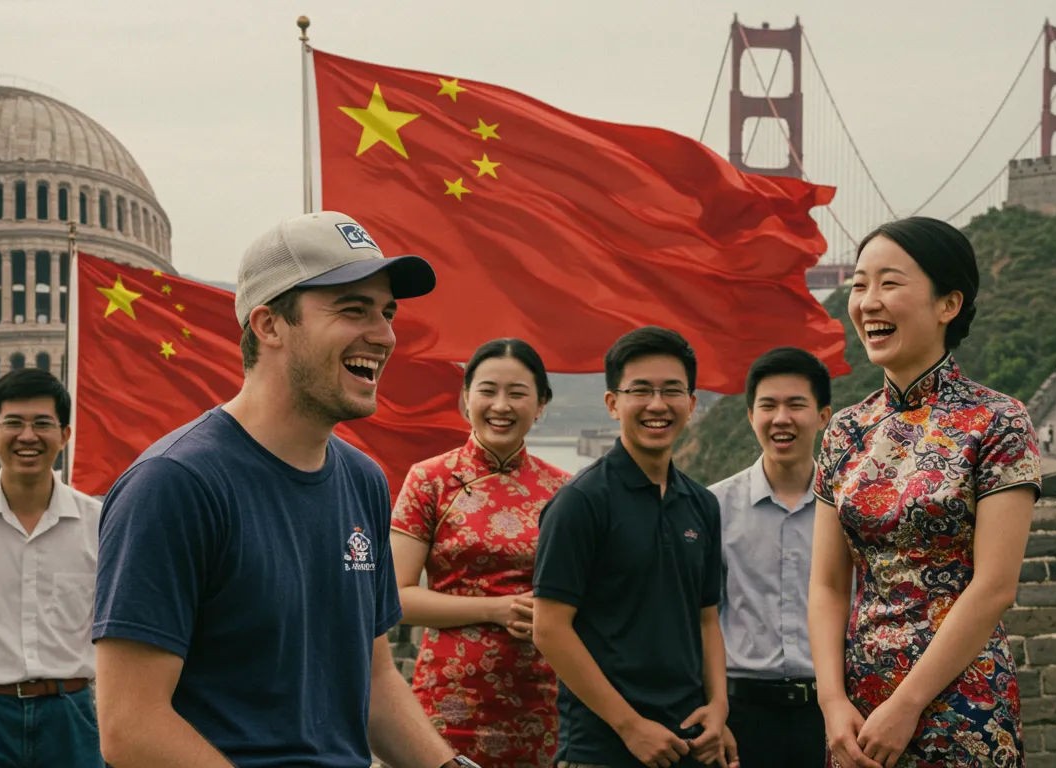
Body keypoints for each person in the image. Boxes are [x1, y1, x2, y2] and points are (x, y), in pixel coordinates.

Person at [91, 211, 475, 768]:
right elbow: (130, 725)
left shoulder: (363, 480)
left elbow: (371, 679)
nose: (385, 334)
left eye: (386, 311)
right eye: (353, 309)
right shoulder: (174, 485)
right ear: (269, 325)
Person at [808, 217, 1042, 768]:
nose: (868, 301)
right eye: (860, 284)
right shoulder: (846, 430)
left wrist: (907, 704)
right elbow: (826, 583)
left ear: (948, 304)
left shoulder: (998, 420)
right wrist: (831, 701)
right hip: (858, 714)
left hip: (961, 702)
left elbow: (994, 587)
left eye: (889, 283)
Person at [532, 326, 733, 768]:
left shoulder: (701, 504)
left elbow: (705, 618)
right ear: (613, 403)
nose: (657, 405)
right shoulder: (580, 503)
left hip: (688, 741)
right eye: (640, 390)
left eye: (672, 391)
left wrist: (719, 706)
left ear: (692, 404)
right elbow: (549, 628)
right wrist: (629, 725)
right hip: (602, 748)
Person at [391, 338, 571, 767]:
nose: (501, 405)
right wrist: (495, 609)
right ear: (465, 397)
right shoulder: (430, 480)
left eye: (518, 393)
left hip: (541, 701)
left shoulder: (565, 492)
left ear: (541, 404)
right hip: (448, 700)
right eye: (488, 390)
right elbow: (395, 598)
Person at [0, 368, 103, 767]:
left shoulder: (100, 523)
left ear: (65, 435)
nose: (28, 436)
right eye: (13, 423)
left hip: (72, 715)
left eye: (42, 424)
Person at [708, 347, 833, 768]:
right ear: (750, 416)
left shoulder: (849, 508)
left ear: (823, 416)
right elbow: (697, 617)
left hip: (833, 711)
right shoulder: (714, 508)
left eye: (797, 404)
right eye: (768, 405)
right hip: (743, 715)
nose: (782, 418)